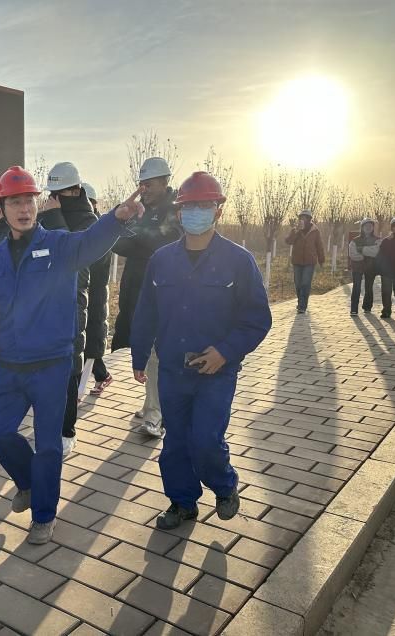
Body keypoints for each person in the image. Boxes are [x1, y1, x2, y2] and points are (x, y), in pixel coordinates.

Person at [0, 166, 143, 544]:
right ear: (2, 207)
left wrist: (116, 218)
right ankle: (28, 482)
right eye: (15, 202)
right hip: (10, 365)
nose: (23, 209)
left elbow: (92, 241)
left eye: (29, 201)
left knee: (49, 445)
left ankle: (43, 516)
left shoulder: (60, 245)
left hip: (52, 364)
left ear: (37, 204)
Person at [130, 172, 271, 530]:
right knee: (176, 443)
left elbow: (257, 319)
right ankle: (182, 503)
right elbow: (146, 311)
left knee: (206, 439)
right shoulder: (162, 260)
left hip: (216, 373)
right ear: (179, 212)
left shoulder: (238, 261)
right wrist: (139, 356)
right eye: (189, 206)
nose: (196, 212)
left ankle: (224, 485)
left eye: (204, 205)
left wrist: (225, 352)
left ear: (218, 211)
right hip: (172, 371)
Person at [111, 157, 181, 437]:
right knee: (144, 347)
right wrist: (130, 233)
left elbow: (165, 242)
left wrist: (139, 236)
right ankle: (151, 403)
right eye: (141, 184)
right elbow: (121, 245)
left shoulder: (175, 210)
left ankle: (155, 414)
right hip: (136, 286)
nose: (144, 190)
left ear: (164, 182)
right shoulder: (140, 210)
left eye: (149, 184)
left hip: (163, 290)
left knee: (155, 351)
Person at [38, 162, 98, 456]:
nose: (54, 199)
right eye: (52, 194)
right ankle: (48, 422)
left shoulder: (89, 220)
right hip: (45, 301)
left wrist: (54, 218)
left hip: (73, 300)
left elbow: (74, 257)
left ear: (75, 191)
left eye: (59, 194)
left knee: (70, 366)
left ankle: (67, 430)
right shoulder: (48, 216)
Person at [81, 182, 113, 395]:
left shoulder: (101, 230)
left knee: (91, 340)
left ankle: (79, 390)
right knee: (85, 343)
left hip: (94, 294)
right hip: (80, 294)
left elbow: (98, 269)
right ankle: (102, 375)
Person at [284, 209, 325, 314]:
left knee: (305, 283)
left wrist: (321, 260)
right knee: (298, 284)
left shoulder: (315, 231)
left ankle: (302, 306)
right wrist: (296, 231)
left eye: (305, 218)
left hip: (309, 262)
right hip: (297, 261)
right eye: (301, 218)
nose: (303, 220)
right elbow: (288, 241)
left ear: (309, 219)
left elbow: (319, 246)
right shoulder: (295, 230)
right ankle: (300, 302)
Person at [348, 217, 380, 316]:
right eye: (366, 225)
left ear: (373, 227)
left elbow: (376, 252)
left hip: (371, 267)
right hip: (357, 267)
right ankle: (354, 309)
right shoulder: (355, 240)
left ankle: (367, 307)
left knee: (369, 287)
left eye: (370, 225)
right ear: (362, 227)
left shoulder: (377, 240)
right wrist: (367, 253)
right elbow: (352, 254)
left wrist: (361, 250)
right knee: (356, 287)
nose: (368, 227)